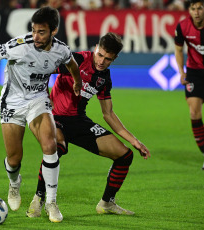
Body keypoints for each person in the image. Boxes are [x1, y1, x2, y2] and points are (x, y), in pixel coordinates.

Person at [0, 6, 82, 223]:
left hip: (38, 101)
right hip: (12, 102)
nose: (35, 36)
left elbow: (72, 64)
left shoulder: (61, 50)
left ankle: (51, 202)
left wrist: (77, 82)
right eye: (33, 30)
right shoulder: (19, 46)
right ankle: (14, 184)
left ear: (53, 31)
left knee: (50, 145)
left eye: (41, 32)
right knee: (15, 158)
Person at [26, 32, 151, 218]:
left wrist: (134, 140)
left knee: (125, 156)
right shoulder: (76, 59)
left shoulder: (104, 78)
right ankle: (38, 198)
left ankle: (107, 203)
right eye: (100, 55)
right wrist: (43, 100)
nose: (101, 61)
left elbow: (108, 113)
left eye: (108, 59)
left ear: (114, 58)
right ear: (96, 49)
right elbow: (42, 71)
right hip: (55, 117)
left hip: (78, 121)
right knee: (57, 147)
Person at [174, 0, 204, 170]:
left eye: (200, 8)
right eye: (193, 8)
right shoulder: (183, 26)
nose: (196, 12)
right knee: (194, 112)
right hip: (194, 72)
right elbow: (178, 50)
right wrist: (181, 71)